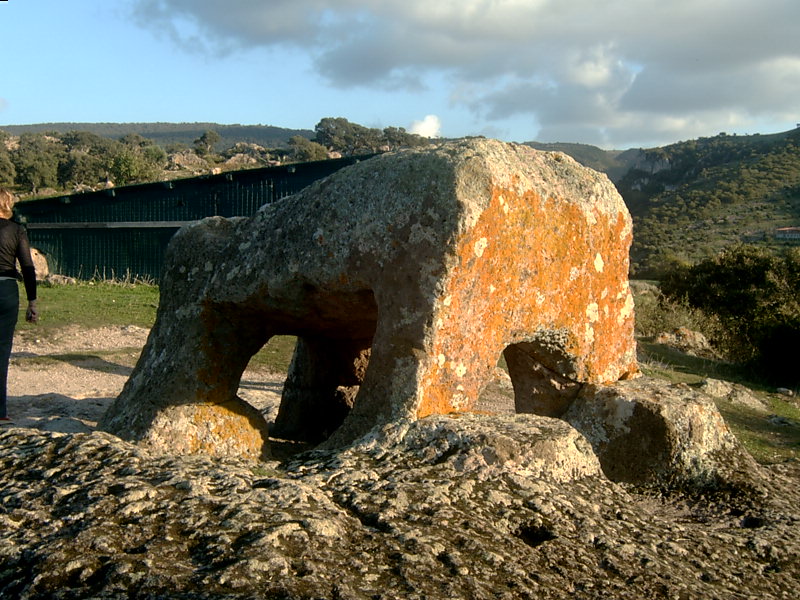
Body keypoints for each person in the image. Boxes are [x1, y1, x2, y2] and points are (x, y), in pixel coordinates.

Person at [0, 187, 38, 425]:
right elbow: (27, 266)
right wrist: (32, 301)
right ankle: (0, 411)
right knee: (2, 350)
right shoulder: (16, 230)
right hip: (6, 290)